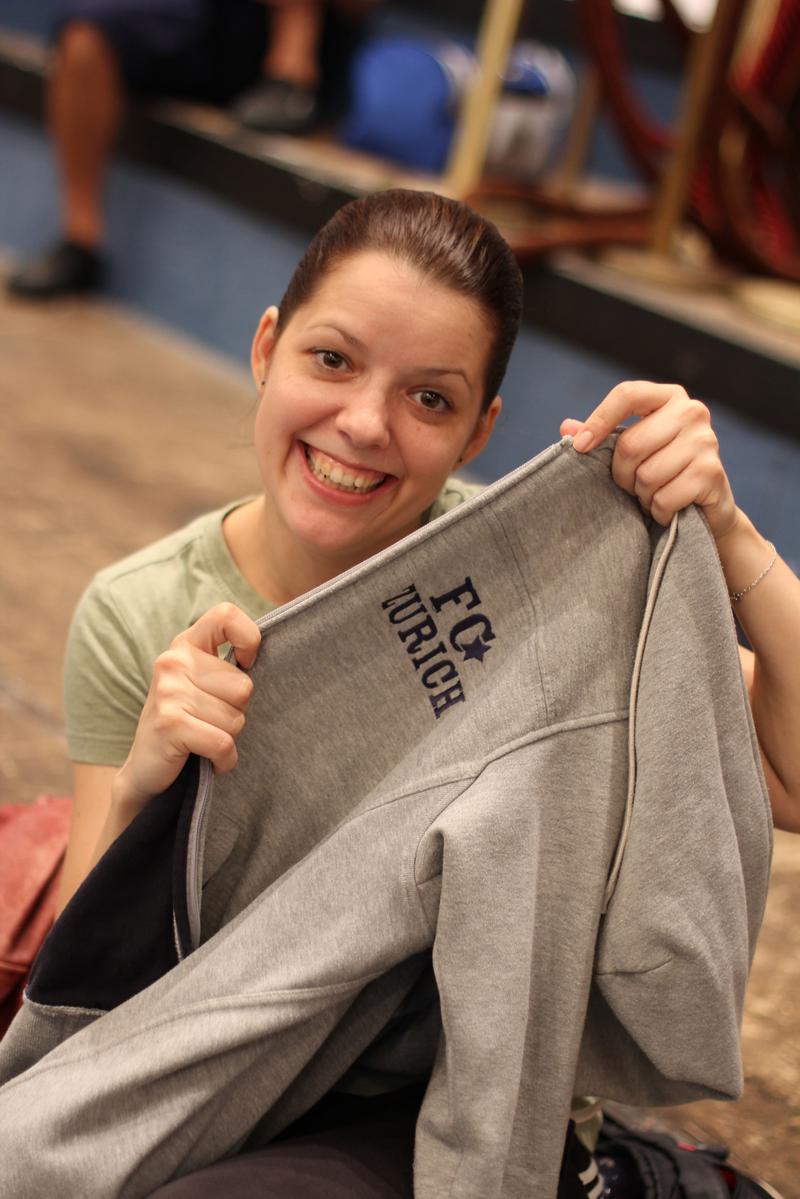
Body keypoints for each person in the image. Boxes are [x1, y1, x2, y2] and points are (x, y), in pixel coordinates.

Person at [58, 189, 798, 1197]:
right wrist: (145, 787)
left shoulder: (541, 592)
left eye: (429, 399)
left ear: (479, 431)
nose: (364, 424)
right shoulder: (139, 610)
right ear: (267, 348)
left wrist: (729, 533)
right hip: (226, 1082)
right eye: (332, 359)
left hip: (453, 1107)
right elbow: (81, 989)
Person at [6, 0, 374, 299]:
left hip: (312, 39)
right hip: (203, 21)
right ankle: (80, 242)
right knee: (86, 35)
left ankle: (291, 76)